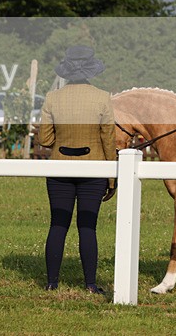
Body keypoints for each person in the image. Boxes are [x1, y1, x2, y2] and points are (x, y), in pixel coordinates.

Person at [37, 46, 117, 294]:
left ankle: (51, 283)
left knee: (58, 224)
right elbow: (108, 141)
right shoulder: (103, 97)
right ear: (91, 70)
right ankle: (90, 284)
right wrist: (112, 179)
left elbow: (45, 139)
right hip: (93, 170)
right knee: (87, 226)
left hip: (59, 168)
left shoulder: (52, 98)